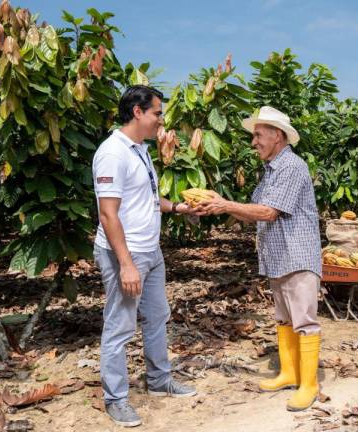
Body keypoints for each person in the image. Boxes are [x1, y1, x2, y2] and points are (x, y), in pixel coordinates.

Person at [196, 106, 322, 411]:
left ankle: (310, 384)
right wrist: (216, 204)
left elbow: (268, 212)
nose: (253, 142)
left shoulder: (291, 166)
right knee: (284, 319)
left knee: (304, 321)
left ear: (277, 136)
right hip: (278, 254)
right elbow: (253, 212)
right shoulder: (271, 171)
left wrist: (224, 204)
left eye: (258, 135)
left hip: (297, 255)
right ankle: (290, 373)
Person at [92, 85, 197, 427]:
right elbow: (108, 214)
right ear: (137, 112)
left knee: (157, 316)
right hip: (127, 253)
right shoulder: (112, 153)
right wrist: (126, 264)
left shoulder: (140, 150)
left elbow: (148, 200)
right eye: (157, 113)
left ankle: (158, 380)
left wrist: (180, 207)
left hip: (150, 250)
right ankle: (116, 399)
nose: (160, 120)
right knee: (120, 327)